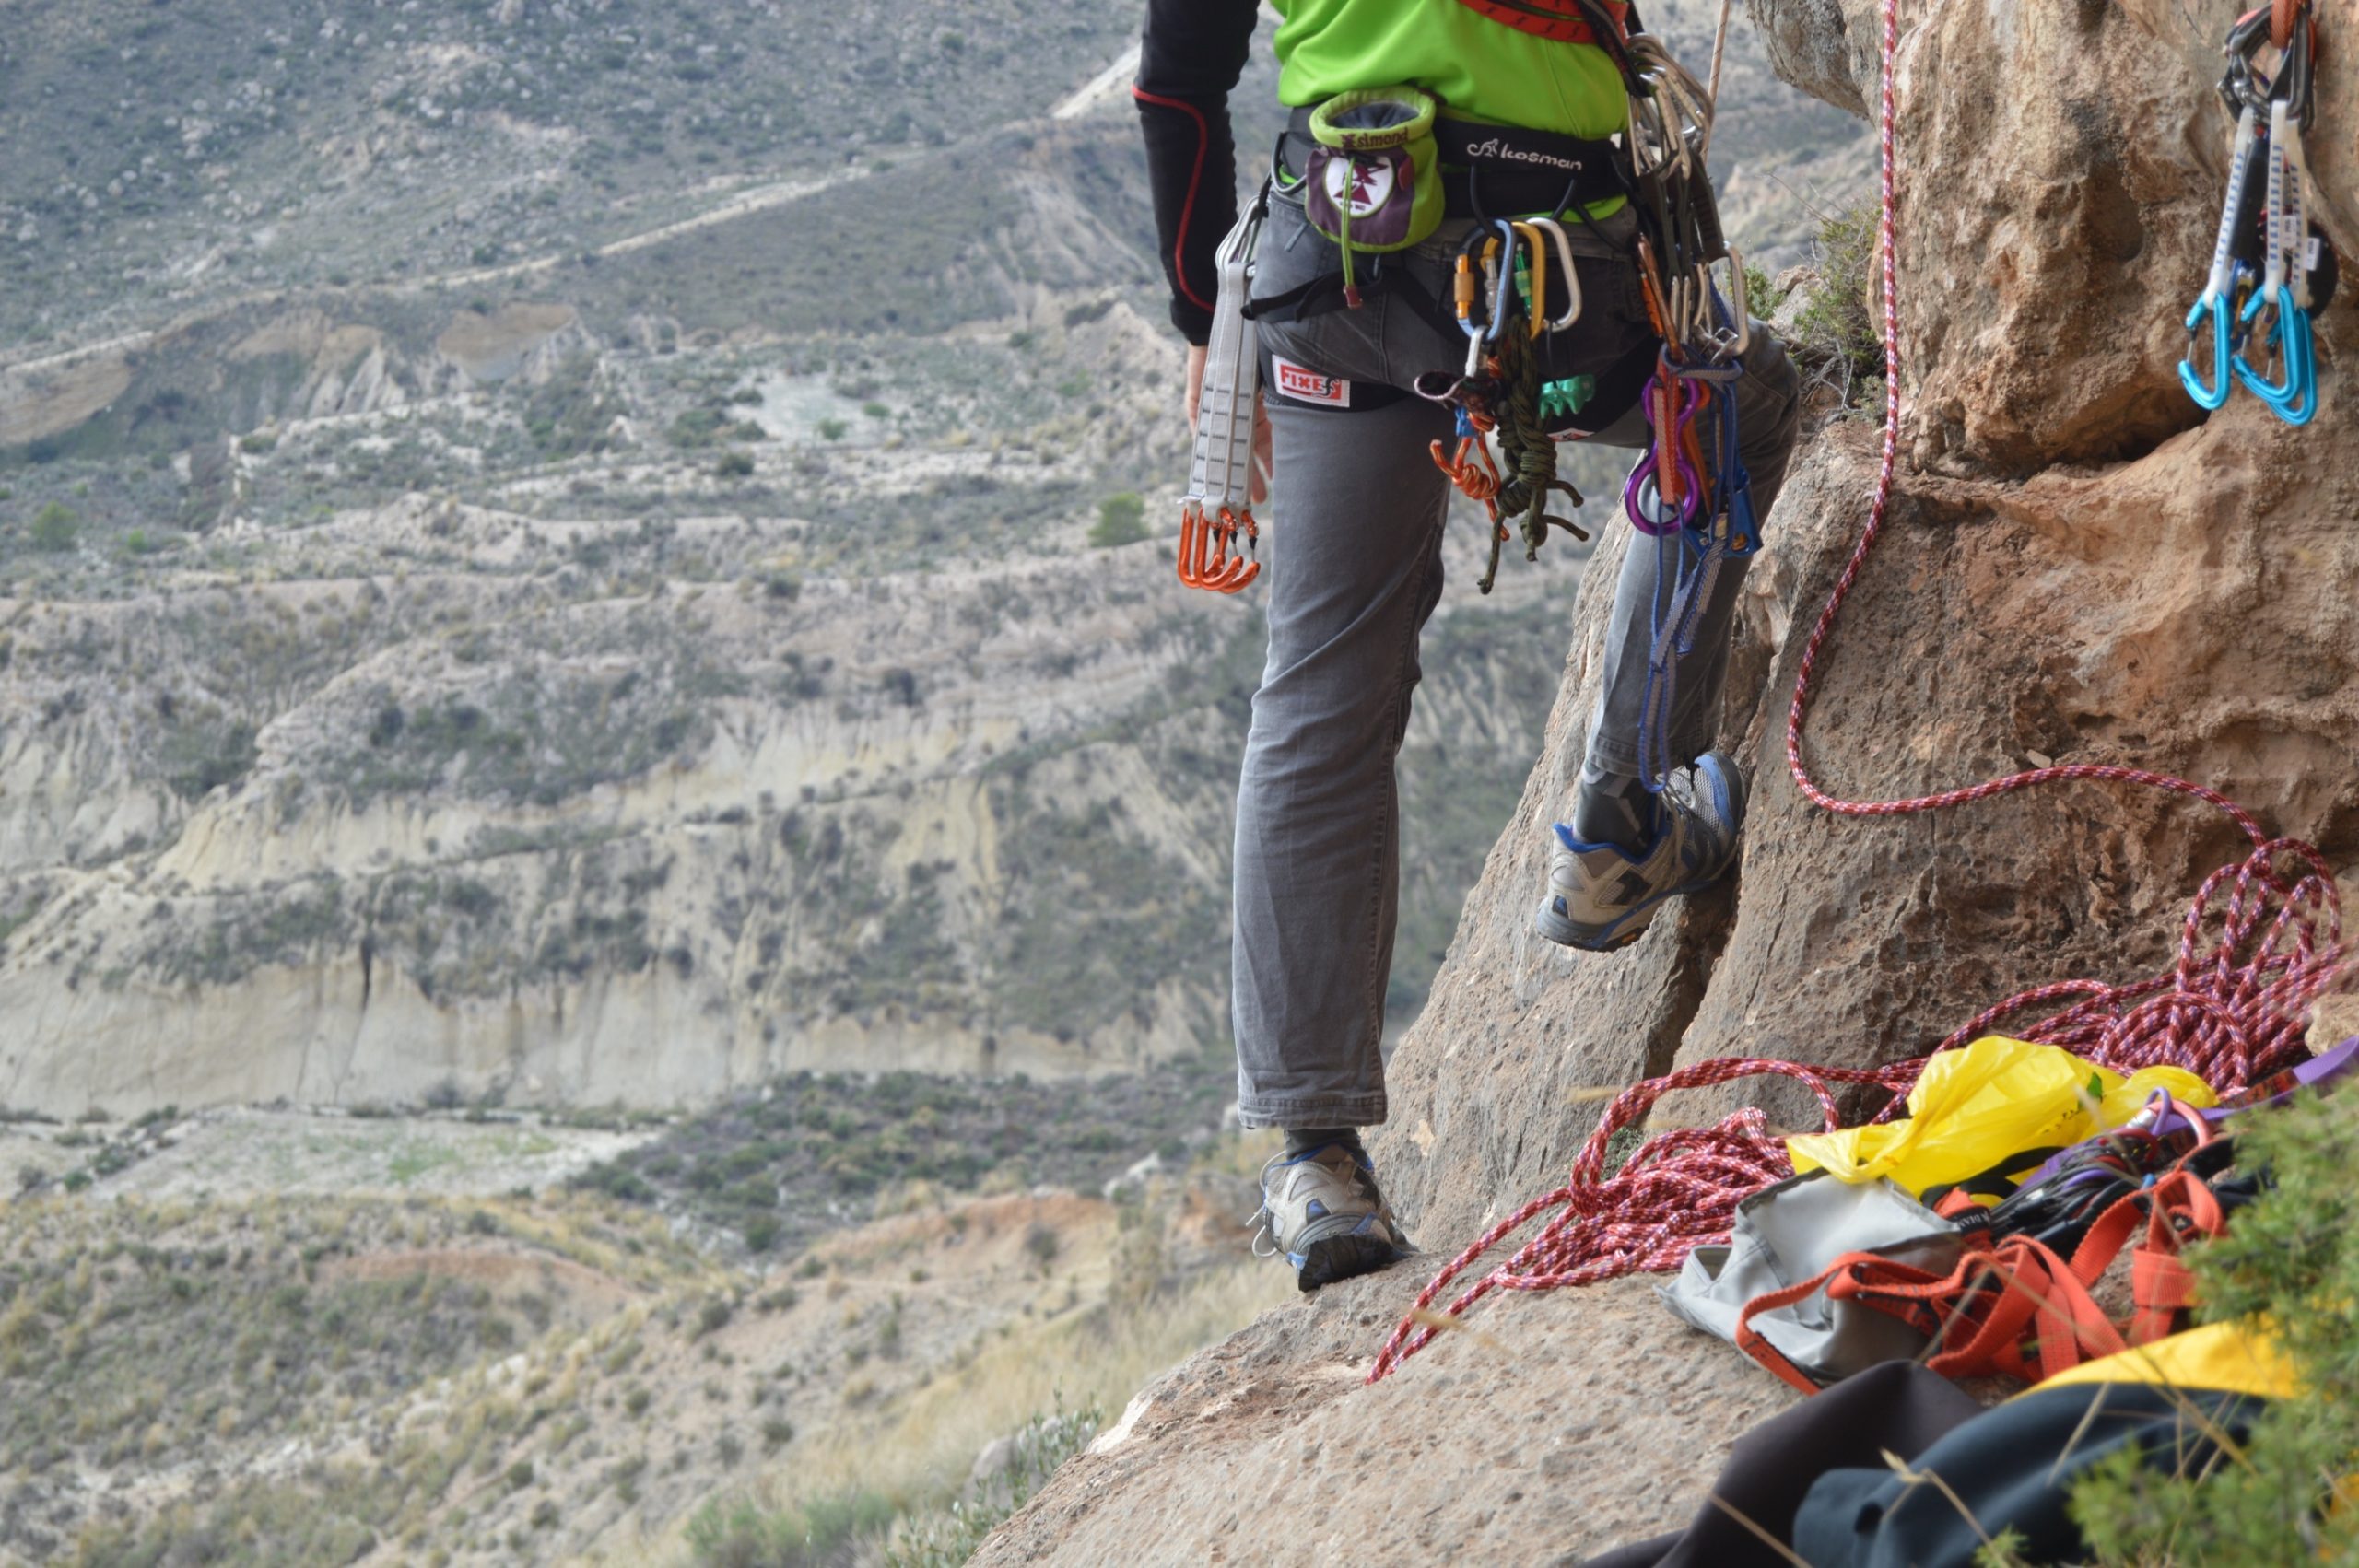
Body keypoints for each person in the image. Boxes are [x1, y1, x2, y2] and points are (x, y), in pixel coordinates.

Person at [1136, 0, 1802, 1289]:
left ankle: (1316, 1159)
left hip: (1346, 278)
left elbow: (1178, 81)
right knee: (1735, 401)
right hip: (1569, 290)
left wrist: (1191, 318)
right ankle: (1620, 821)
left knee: (1325, 689)